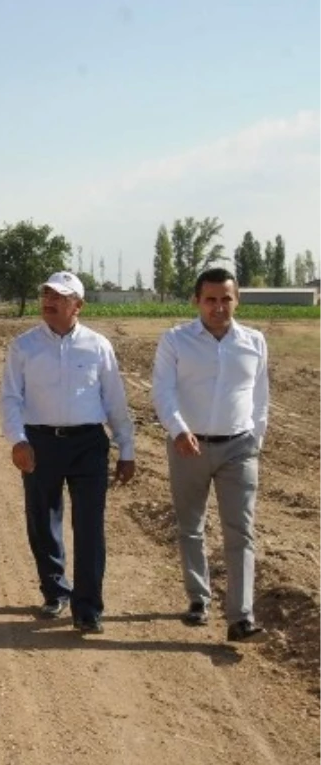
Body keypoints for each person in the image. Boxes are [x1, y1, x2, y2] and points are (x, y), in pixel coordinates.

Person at [0, 270, 136, 634]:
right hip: (40, 442)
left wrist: (127, 448)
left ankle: (88, 607)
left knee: (90, 526)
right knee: (42, 519)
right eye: (46, 294)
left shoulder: (97, 346)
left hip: (89, 444)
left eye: (60, 296)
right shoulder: (24, 347)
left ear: (78, 305)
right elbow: (11, 397)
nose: (50, 301)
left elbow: (115, 401)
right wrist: (18, 440)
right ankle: (55, 590)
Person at [151, 267, 270, 644]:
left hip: (239, 448)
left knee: (241, 532)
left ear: (237, 300)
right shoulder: (175, 341)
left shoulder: (254, 342)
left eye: (226, 299)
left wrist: (256, 439)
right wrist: (178, 429)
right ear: (197, 302)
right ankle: (198, 600)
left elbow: (260, 398)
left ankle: (241, 616)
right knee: (191, 526)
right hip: (189, 445)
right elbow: (163, 392)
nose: (219, 307)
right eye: (211, 300)